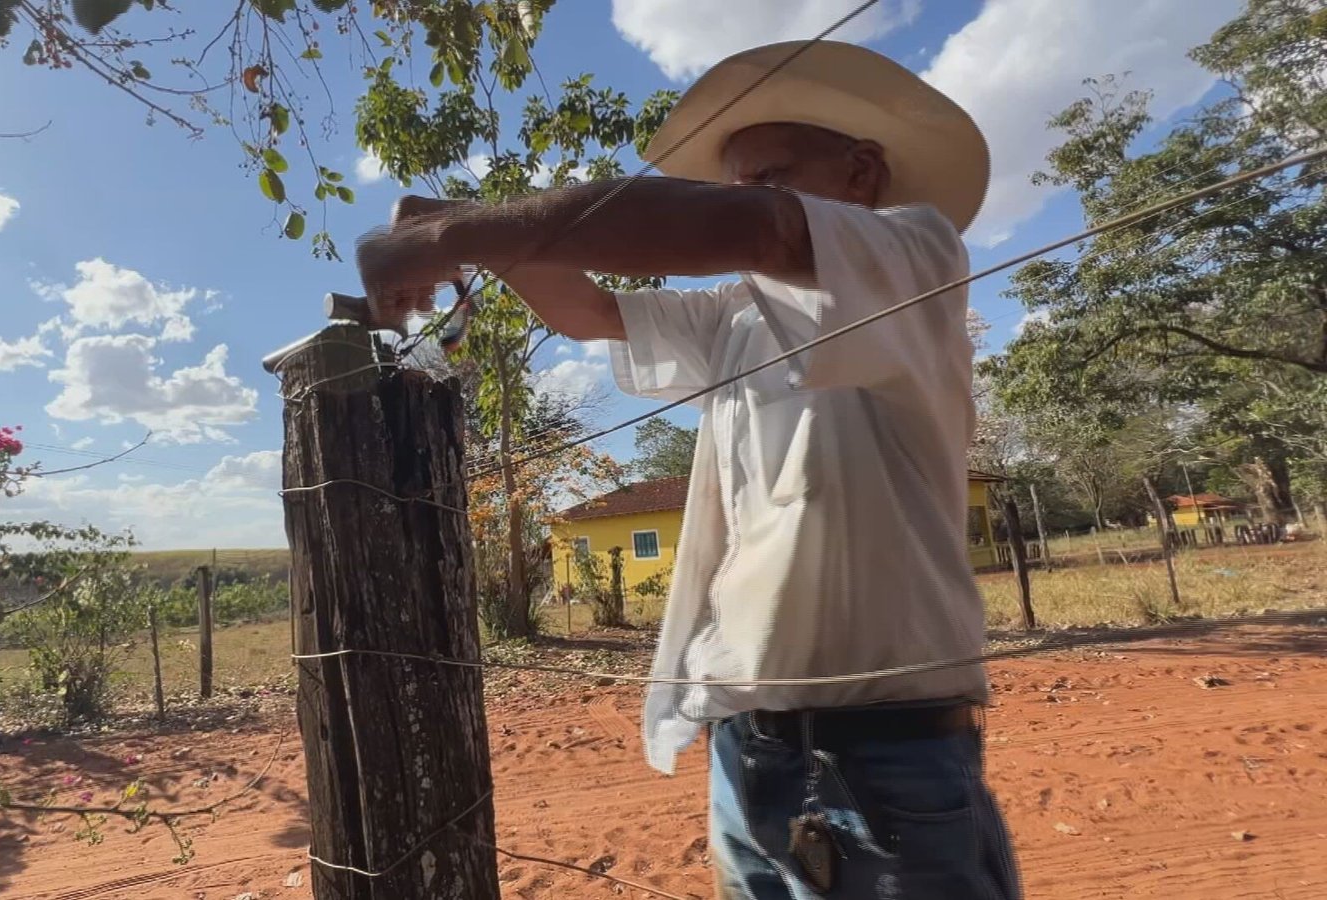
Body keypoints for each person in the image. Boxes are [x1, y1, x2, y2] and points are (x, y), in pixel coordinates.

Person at [355, 39, 1022, 900]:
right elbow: (588, 308)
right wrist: (459, 227)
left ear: (860, 172)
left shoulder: (915, 254)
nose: (745, 199)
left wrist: (446, 235)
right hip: (750, 746)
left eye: (769, 175)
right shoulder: (733, 317)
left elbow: (753, 228)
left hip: (887, 754)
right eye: (736, 182)